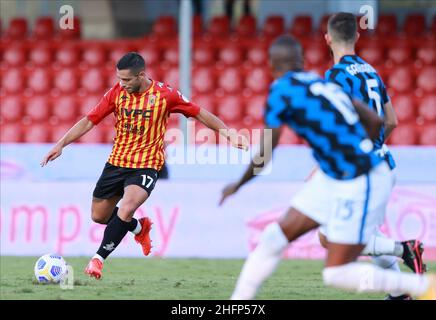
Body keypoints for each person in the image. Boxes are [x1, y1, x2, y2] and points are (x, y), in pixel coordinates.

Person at [219, 35, 435, 300]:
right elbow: (374, 120)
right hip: (339, 173)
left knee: (336, 273)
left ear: (272, 65)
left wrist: (237, 185)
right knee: (273, 238)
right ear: (300, 61)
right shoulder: (321, 83)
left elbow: (264, 154)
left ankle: (425, 288)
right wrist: (350, 149)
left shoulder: (281, 90)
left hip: (360, 176)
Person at [41, 52, 248, 280]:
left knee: (127, 207)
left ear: (141, 75)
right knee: (99, 216)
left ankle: (98, 259)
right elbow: (90, 120)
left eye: (127, 80)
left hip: (147, 165)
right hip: (116, 163)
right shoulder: (116, 94)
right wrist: (61, 144)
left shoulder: (165, 95)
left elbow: (201, 113)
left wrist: (229, 134)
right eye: (119, 79)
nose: (122, 84)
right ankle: (139, 228)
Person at [319, 12, 426, 299]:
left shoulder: (335, 75)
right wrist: (375, 145)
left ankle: (406, 249)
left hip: (360, 169)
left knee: (331, 238)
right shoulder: (372, 71)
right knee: (369, 237)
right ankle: (401, 294)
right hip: (384, 164)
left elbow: (336, 127)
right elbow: (391, 120)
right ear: (357, 36)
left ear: (328, 39)